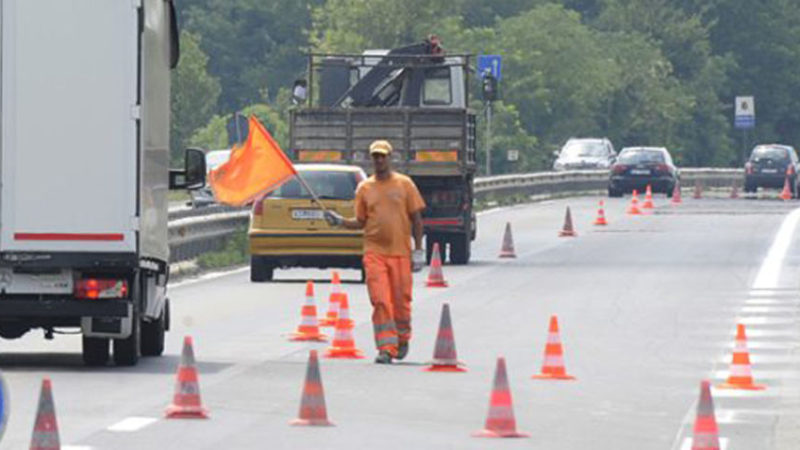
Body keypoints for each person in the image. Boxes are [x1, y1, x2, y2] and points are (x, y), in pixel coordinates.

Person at [324, 140, 426, 364]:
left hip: (400, 253)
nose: (379, 160)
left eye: (383, 156)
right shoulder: (365, 188)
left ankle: (402, 338)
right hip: (374, 252)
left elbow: (417, 219)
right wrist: (339, 221)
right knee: (380, 300)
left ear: (390, 158)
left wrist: (418, 249)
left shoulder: (405, 184)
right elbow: (360, 222)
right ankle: (386, 347)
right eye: (375, 157)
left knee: (401, 301)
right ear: (371, 159)